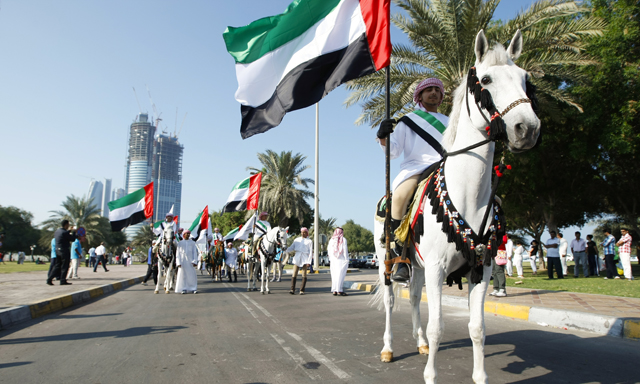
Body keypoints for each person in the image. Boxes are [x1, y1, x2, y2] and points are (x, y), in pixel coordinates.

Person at [377, 77, 449, 283]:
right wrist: (383, 136)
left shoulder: (450, 121)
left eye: (437, 89)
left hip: (446, 168)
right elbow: (393, 152)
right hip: (417, 169)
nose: (433, 93)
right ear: (420, 95)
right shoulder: (408, 120)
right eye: (429, 90)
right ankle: (400, 255)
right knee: (399, 197)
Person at [47, 220, 77, 286]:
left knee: (57, 265)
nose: (68, 226)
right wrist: (74, 232)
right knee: (65, 266)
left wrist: (69, 231)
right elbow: (72, 239)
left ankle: (49, 279)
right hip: (64, 250)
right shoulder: (65, 232)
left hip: (57, 250)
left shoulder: (57, 231)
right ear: (66, 225)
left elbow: (64, 235)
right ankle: (63, 280)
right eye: (68, 225)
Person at [286, 227, 313, 295]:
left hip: (305, 258)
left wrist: (309, 262)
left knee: (304, 274)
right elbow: (292, 248)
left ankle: (302, 290)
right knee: (294, 273)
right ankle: (292, 289)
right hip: (297, 257)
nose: (303, 234)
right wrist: (285, 249)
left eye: (304, 232)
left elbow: (310, 252)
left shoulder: (309, 241)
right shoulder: (297, 240)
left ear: (307, 233)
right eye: (302, 232)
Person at [175, 230, 198, 294]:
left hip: (190, 262)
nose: (188, 234)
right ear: (184, 234)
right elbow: (178, 254)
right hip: (182, 262)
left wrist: (194, 261)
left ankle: (193, 288)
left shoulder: (192, 243)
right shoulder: (180, 243)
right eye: (186, 233)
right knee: (182, 275)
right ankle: (183, 288)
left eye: (189, 233)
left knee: (192, 276)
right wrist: (178, 262)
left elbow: (194, 253)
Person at [328, 228, 349, 296]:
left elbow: (329, 250)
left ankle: (334, 290)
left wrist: (330, 259)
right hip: (341, 260)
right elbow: (345, 250)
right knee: (340, 275)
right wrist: (347, 259)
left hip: (333, 260)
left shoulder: (331, 240)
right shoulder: (343, 239)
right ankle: (339, 290)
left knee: (334, 275)